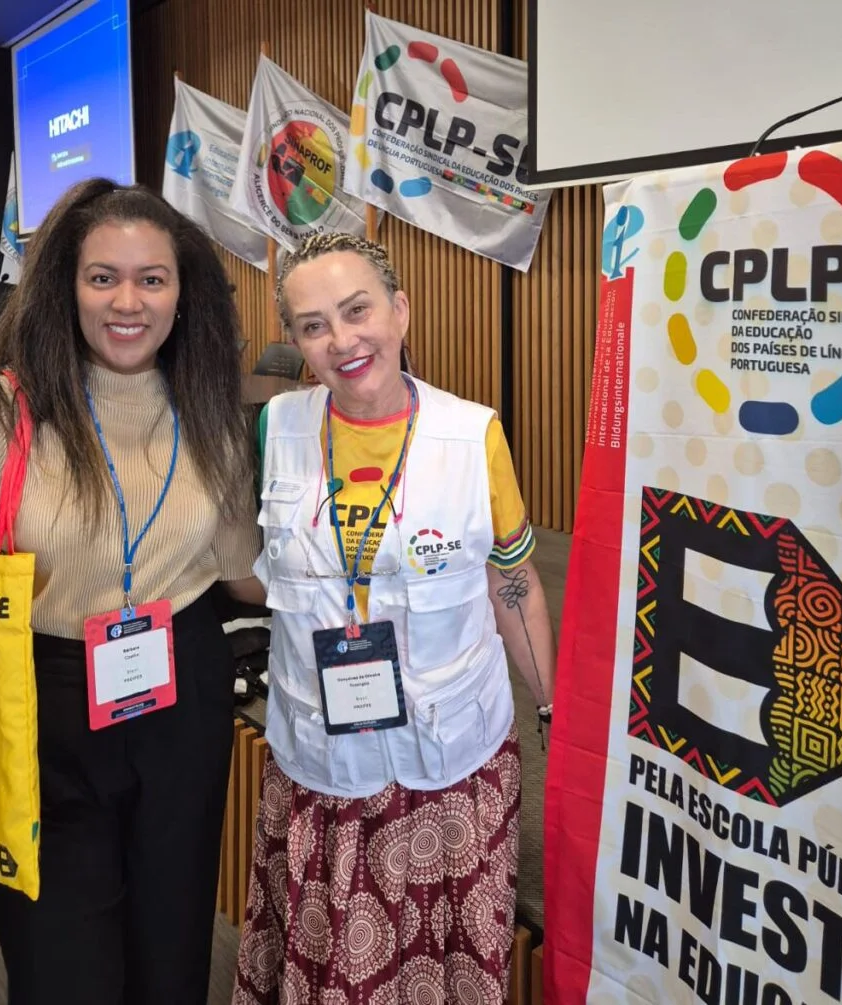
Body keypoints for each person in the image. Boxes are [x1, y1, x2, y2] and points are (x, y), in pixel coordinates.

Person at [0, 178, 265, 1004]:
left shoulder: (210, 412)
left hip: (183, 700)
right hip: (39, 708)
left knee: (171, 965)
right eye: (102, 276)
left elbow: (244, 575)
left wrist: (380, 578)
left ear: (183, 293)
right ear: (65, 287)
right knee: (63, 975)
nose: (128, 301)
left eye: (152, 278)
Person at [234, 233, 557, 1004]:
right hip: (319, 761)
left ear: (400, 311)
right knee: (328, 958)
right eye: (314, 325)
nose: (342, 340)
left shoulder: (472, 436)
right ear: (295, 340)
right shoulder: (276, 428)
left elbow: (512, 581)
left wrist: (549, 702)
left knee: (441, 965)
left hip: (450, 763)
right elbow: (254, 568)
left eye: (358, 311)